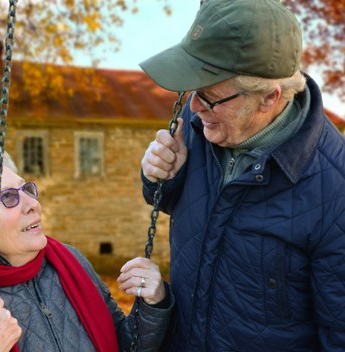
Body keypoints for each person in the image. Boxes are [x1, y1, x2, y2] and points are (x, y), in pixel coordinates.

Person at [139, 0, 345, 350]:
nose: (194, 107)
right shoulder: (199, 128)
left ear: (268, 98)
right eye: (193, 92)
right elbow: (182, 207)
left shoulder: (335, 190)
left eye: (210, 97)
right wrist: (160, 178)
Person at [0, 143, 173, 352]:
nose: (32, 203)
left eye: (26, 189)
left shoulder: (70, 263)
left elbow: (124, 345)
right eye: (8, 197)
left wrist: (152, 303)